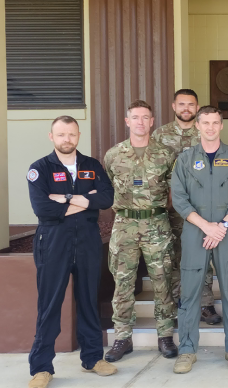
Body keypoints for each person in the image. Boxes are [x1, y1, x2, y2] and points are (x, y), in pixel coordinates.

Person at [27, 116, 116, 388]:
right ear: (51, 136)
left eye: (72, 134)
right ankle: (41, 367)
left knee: (89, 300)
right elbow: (44, 209)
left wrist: (65, 198)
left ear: (79, 135)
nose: (67, 139)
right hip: (53, 241)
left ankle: (92, 358)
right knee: (50, 304)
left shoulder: (91, 165)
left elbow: (106, 199)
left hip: (88, 240)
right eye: (61, 134)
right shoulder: (40, 169)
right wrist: (85, 201)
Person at [170, 106, 228, 373]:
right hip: (196, 229)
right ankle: (186, 349)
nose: (209, 127)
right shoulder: (184, 159)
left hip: (227, 230)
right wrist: (206, 226)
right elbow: (179, 198)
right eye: (204, 122)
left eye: (215, 122)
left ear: (221, 125)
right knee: (191, 290)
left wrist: (223, 224)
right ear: (197, 125)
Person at [103, 100, 178, 362]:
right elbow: (112, 184)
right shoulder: (114, 155)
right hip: (124, 226)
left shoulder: (166, 154)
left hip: (156, 224)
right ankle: (122, 337)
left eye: (145, 118)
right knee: (122, 283)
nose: (140, 122)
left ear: (152, 121)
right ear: (127, 121)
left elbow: (172, 193)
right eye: (135, 118)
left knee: (162, 280)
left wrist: (153, 209)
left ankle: (165, 335)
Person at [152, 89, 219, 326]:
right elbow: (155, 172)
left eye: (191, 104)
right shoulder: (160, 135)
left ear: (197, 107)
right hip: (170, 207)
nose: (186, 109)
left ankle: (205, 303)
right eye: (182, 104)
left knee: (203, 253)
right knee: (174, 256)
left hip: (200, 208)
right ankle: (180, 302)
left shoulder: (204, 130)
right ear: (173, 106)